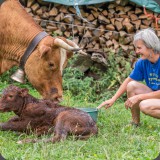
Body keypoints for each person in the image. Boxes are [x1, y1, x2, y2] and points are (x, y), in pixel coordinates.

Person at [97, 28, 160, 126]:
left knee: (144, 106)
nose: (137, 51)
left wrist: (139, 97)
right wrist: (113, 99)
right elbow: (129, 80)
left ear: (150, 46)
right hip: (156, 95)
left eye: (139, 48)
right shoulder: (142, 62)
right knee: (131, 85)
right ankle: (135, 123)